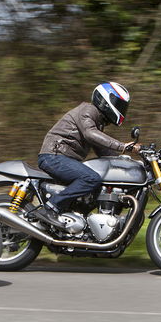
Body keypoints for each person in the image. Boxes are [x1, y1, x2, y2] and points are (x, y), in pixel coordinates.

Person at [36, 82, 141, 228]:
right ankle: (50, 208)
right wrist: (123, 146)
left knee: (98, 184)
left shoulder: (97, 122)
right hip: (53, 156)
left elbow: (103, 151)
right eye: (118, 104)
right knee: (91, 178)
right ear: (105, 100)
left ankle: (79, 224)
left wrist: (125, 161)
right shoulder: (88, 111)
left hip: (62, 158)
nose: (121, 109)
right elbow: (91, 134)